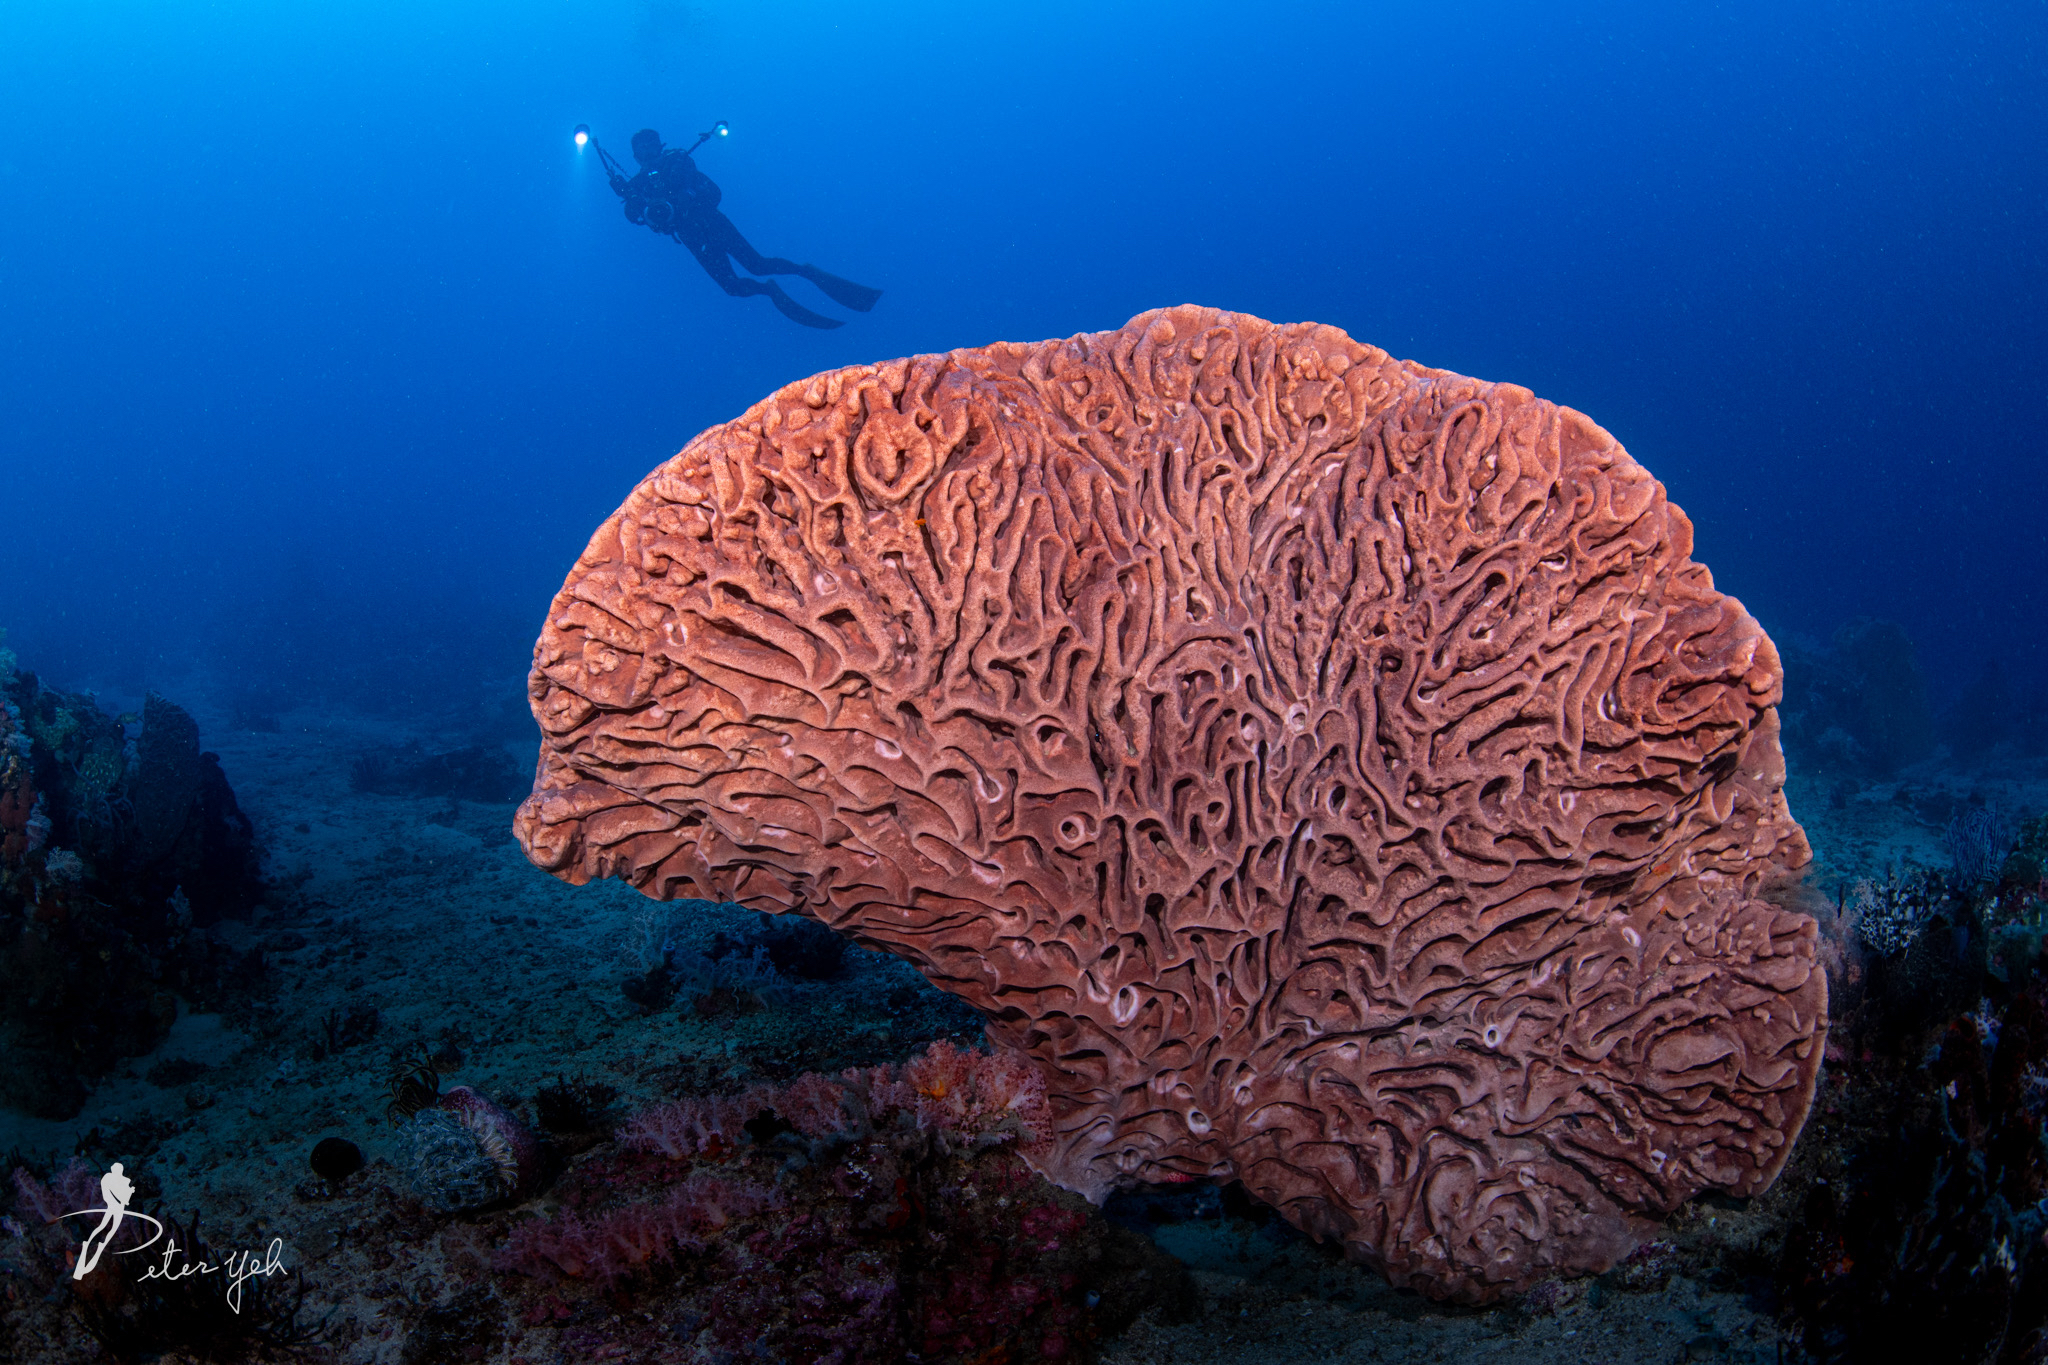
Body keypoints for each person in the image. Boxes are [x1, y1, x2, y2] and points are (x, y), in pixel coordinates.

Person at [610, 128, 881, 330]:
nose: (647, 153)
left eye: (651, 146)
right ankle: (770, 291)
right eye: (641, 150)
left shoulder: (679, 162)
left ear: (659, 146)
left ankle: (805, 271)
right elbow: (637, 218)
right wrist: (628, 197)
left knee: (758, 264)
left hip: (712, 223)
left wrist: (687, 196)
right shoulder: (637, 186)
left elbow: (714, 192)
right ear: (635, 156)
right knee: (732, 287)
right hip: (692, 237)